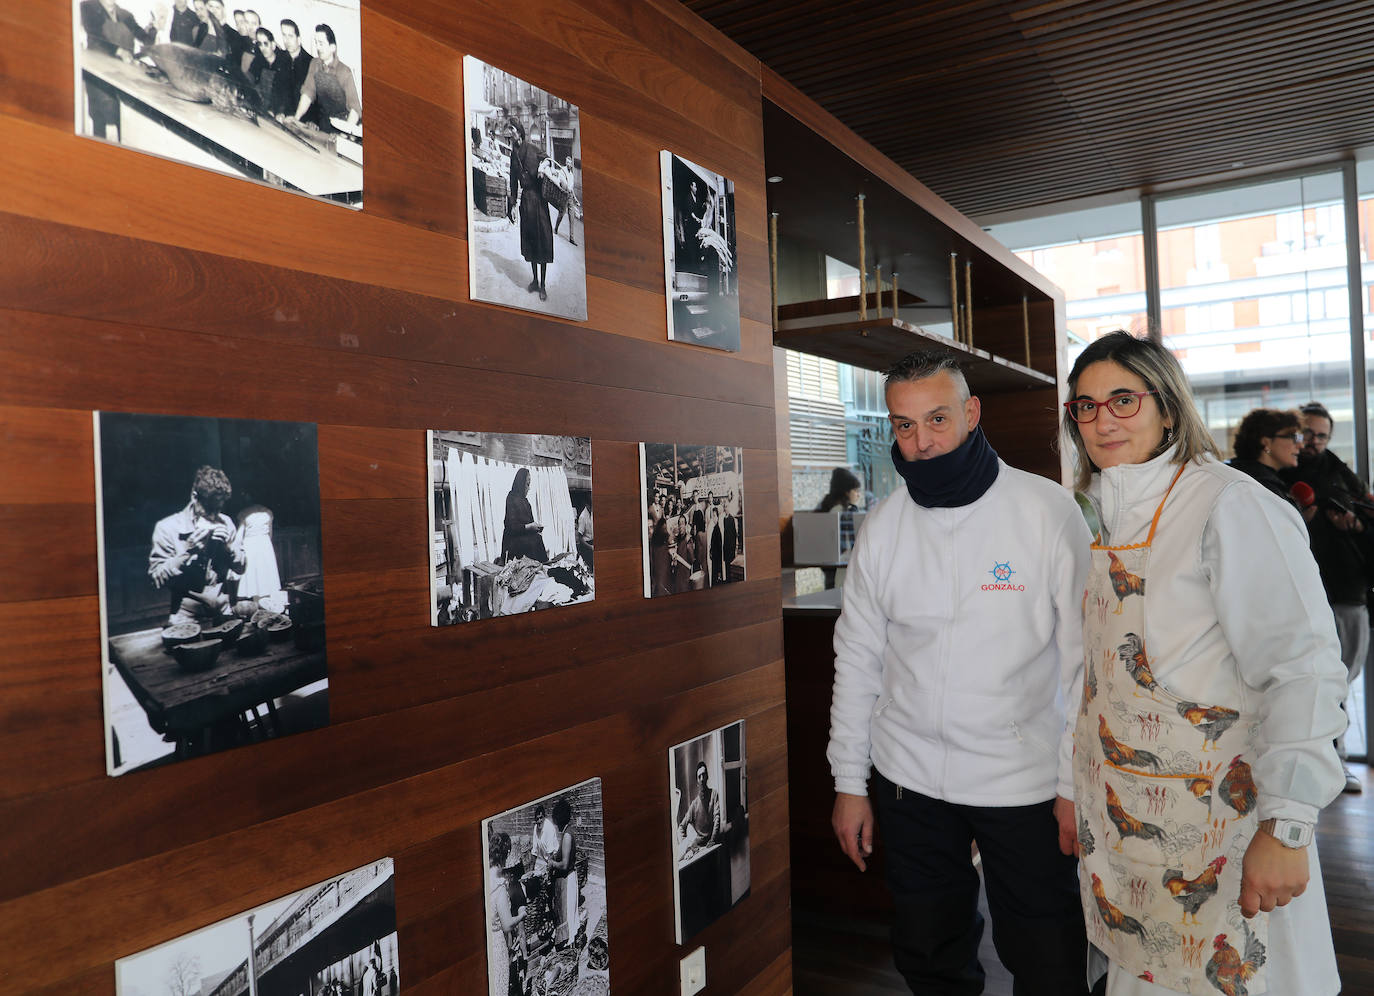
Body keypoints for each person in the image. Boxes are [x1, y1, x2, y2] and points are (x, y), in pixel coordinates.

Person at [1062, 331, 1347, 994]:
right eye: (1085, 405)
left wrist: (1288, 824)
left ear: (1167, 406)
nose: (1103, 419)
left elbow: (1303, 667)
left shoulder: (1231, 505)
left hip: (1224, 831)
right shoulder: (1103, 514)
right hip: (1132, 831)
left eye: (1123, 400)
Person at [828, 349, 1093, 995]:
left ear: (972, 413)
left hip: (1023, 781)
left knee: (1048, 955)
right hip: (909, 778)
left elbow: (1085, 667)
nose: (921, 442)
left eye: (938, 418)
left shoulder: (1047, 510)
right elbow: (859, 659)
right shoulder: (884, 527)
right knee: (929, 953)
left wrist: (1072, 783)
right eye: (904, 425)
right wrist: (850, 783)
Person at [1280, 400, 1371, 794]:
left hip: (1346, 592)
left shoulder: (1341, 476)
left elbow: (1368, 524)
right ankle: (1309, 766)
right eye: (1306, 433)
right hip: (1296, 596)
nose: (1312, 441)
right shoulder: (1276, 476)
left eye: (1321, 435)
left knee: (1340, 682)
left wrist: (1351, 524)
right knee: (1301, 684)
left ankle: (1336, 763)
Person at [148, 465, 247, 625]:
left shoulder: (226, 522)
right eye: (209, 508)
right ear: (195, 497)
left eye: (219, 508)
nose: (214, 515)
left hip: (224, 611)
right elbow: (157, 579)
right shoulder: (168, 527)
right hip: (186, 617)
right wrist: (188, 550)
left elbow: (241, 568)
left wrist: (228, 548)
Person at [79, 0, 158, 140]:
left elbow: (144, 38)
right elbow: (94, 36)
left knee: (123, 119)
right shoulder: (88, 7)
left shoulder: (126, 15)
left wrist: (154, 28)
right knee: (99, 119)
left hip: (123, 75)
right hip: (99, 72)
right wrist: (118, 51)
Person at [1227, 407, 1307, 513]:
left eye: (1300, 438)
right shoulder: (1264, 488)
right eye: (1294, 437)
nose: (1301, 445)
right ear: (1266, 442)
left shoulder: (1240, 474)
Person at [288, 24, 361, 134]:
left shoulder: (345, 72)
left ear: (332, 47)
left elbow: (355, 109)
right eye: (316, 43)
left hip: (343, 127)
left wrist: (345, 134)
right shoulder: (314, 64)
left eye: (321, 44)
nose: (317, 47)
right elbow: (308, 93)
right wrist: (296, 118)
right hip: (323, 125)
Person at [511, 122, 556, 301]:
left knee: (543, 241)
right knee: (530, 242)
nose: (510, 132)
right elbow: (512, 179)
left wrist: (542, 170)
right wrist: (513, 205)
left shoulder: (533, 148)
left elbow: (548, 161)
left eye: (512, 129)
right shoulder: (514, 155)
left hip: (540, 201)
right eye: (509, 130)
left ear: (519, 131)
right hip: (526, 203)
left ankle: (543, 285)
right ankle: (535, 281)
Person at [488, 831, 526, 996]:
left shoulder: (486, 876)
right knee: (500, 986)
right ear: (506, 854)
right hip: (496, 943)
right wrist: (521, 916)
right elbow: (507, 924)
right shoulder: (499, 886)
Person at [815, 466, 862, 589]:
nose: (859, 495)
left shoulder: (825, 507)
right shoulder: (842, 512)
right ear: (846, 492)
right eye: (856, 491)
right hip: (840, 570)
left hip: (830, 568)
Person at [547, 798, 579, 949]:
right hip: (567, 879)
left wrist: (553, 863)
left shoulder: (567, 835)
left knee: (567, 914)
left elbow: (565, 864)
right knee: (568, 914)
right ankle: (569, 945)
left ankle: (569, 949)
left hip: (568, 880)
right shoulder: (567, 832)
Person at [677, 760, 722, 861]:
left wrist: (713, 839)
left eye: (704, 775)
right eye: (699, 776)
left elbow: (717, 818)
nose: (702, 779)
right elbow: (681, 828)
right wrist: (688, 848)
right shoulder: (694, 804)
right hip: (699, 848)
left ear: (707, 776)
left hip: (712, 844)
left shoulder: (714, 794)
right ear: (697, 780)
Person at [247, 27, 293, 116]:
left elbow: (285, 91)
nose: (263, 48)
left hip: (279, 110)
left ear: (273, 45)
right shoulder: (258, 60)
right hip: (260, 107)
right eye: (260, 44)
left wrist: (279, 111)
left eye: (265, 44)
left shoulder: (284, 62)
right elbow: (249, 79)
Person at [278, 19, 313, 115]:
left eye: (290, 36)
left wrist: (312, 121)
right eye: (284, 35)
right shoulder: (281, 58)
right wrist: (278, 112)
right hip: (283, 116)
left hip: (303, 119)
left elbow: (314, 97)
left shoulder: (310, 62)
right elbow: (277, 90)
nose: (286, 40)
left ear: (299, 39)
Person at [575, 500, 594, 570]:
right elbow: (579, 538)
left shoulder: (591, 513)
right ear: (587, 505)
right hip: (586, 545)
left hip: (592, 542)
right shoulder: (583, 517)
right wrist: (590, 547)